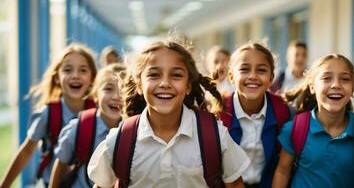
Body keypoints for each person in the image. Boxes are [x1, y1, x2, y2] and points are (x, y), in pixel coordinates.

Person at [87, 39, 250, 187]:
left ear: (188, 86)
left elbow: (235, 184)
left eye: (176, 75)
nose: (165, 83)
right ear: (139, 85)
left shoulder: (214, 136)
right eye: (154, 75)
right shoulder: (119, 141)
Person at [0, 43, 97, 188]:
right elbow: (26, 152)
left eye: (83, 70)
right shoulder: (47, 114)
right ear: (57, 78)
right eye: (68, 70)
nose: (75, 75)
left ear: (92, 79)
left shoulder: (99, 112)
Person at [272, 54, 354, 188]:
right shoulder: (296, 129)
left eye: (345, 79)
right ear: (312, 87)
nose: (336, 85)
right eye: (327, 78)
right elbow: (282, 172)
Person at [225, 42, 292, 188]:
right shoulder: (219, 113)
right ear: (231, 76)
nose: (253, 76)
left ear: (271, 78)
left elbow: (283, 166)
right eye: (244, 69)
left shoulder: (282, 111)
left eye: (261, 70)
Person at [49, 63, 126, 188]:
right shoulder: (78, 128)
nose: (116, 96)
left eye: (123, 91)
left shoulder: (133, 131)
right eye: (108, 89)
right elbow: (61, 165)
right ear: (95, 95)